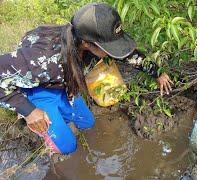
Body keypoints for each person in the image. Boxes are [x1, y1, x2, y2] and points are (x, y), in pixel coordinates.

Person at [0, 3, 173, 155]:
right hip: (38, 88)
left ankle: (60, 118)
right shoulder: (44, 59)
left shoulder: (88, 44)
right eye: (108, 47)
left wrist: (157, 73)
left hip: (62, 85)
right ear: (86, 42)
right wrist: (28, 111)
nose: (113, 52)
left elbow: (128, 55)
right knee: (69, 148)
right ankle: (46, 131)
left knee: (87, 123)